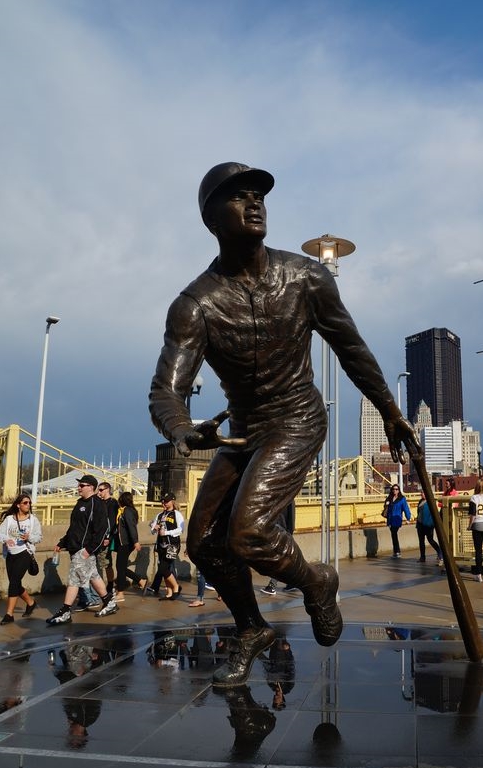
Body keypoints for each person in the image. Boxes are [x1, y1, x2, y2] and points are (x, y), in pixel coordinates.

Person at [148, 161, 420, 687]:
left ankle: (318, 580)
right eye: (238, 197)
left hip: (296, 418)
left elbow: (351, 348)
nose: (254, 203)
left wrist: (389, 409)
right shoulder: (195, 304)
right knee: (203, 543)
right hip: (243, 432)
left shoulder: (306, 276)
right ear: (210, 218)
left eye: (259, 195)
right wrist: (183, 431)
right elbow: (166, 390)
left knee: (248, 533)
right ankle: (251, 627)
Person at [46, 474, 118, 625]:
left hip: (83, 550)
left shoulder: (97, 504)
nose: (78, 487)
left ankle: (65, 611)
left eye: (82, 485)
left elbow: (102, 529)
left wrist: (89, 550)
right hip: (75, 547)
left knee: (74, 579)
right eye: (79, 485)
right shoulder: (80, 503)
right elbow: (74, 528)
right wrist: (62, 542)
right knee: (92, 576)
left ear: (91, 487)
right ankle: (109, 602)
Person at [0, 493, 41, 624]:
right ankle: (30, 602)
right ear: (18, 505)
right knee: (15, 583)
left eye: (29, 503)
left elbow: (38, 537)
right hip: (10, 554)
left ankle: (9, 615)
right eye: (25, 503)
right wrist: (6, 539)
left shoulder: (33, 520)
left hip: (25, 553)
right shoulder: (9, 519)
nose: (28, 505)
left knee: (14, 582)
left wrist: (29, 538)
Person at [152, 491, 185, 601]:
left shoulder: (177, 514)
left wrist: (166, 533)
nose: (164, 503)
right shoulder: (160, 515)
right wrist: (154, 528)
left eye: (166, 501)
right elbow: (152, 529)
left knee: (163, 568)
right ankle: (169, 592)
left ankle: (176, 587)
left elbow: (181, 530)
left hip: (172, 545)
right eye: (162, 501)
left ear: (172, 501)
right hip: (161, 545)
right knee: (164, 568)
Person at [260, 502, 296, 595]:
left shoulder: (289, 497)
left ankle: (272, 585)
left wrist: (289, 533)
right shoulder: (277, 494)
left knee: (278, 559)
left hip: (283, 532)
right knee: (285, 559)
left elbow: (291, 517)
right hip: (274, 530)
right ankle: (292, 583)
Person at [112, 491, 142, 602]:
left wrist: (136, 541)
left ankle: (120, 593)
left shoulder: (127, 511)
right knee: (121, 567)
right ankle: (140, 581)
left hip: (125, 543)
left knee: (120, 567)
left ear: (122, 500)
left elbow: (131, 527)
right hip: (123, 542)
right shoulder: (125, 510)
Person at [95, 482, 119, 591]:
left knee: (106, 563)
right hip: (96, 537)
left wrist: (108, 537)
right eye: (98, 490)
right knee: (98, 563)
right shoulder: (98, 502)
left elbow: (112, 522)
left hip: (106, 538)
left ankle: (110, 585)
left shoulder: (113, 503)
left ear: (107, 489)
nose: (99, 492)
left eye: (101, 490)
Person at [414, 490, 443, 566]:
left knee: (430, 540)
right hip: (420, 524)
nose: (421, 494)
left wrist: (433, 523)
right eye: (421, 492)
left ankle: (440, 553)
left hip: (428, 524)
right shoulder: (421, 501)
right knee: (421, 541)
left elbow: (435, 513)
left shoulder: (431, 502)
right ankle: (422, 557)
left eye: (423, 492)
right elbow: (419, 512)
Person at [383, 484, 412, 558]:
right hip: (390, 519)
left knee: (394, 534)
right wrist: (386, 504)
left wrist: (408, 518)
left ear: (399, 490)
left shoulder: (402, 499)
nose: (394, 491)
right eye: (393, 489)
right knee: (393, 535)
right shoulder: (389, 498)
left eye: (396, 489)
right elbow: (385, 507)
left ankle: (397, 552)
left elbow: (406, 508)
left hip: (397, 519)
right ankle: (396, 552)